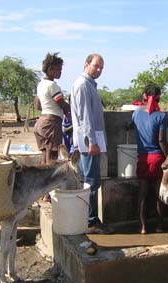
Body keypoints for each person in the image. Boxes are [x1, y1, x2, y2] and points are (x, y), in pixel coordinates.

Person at [70, 54, 112, 234]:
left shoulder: (89, 85)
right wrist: (92, 142)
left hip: (93, 140)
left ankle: (89, 218)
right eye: (96, 66)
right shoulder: (82, 85)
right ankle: (90, 220)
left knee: (91, 180)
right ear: (86, 64)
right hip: (88, 141)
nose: (99, 70)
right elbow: (85, 117)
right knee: (91, 181)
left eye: (101, 67)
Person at [125, 83, 168, 234]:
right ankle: (159, 225)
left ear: (144, 96)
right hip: (157, 158)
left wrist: (128, 126)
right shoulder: (161, 116)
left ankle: (143, 227)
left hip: (143, 158)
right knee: (159, 194)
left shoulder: (136, 113)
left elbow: (130, 125)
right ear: (159, 97)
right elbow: (162, 140)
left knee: (142, 193)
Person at [34, 52, 70, 164]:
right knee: (52, 157)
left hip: (41, 123)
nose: (60, 72)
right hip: (52, 123)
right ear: (51, 69)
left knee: (45, 154)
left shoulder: (40, 85)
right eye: (59, 69)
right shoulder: (52, 85)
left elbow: (38, 105)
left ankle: (43, 179)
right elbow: (61, 103)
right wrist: (72, 109)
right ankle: (51, 179)